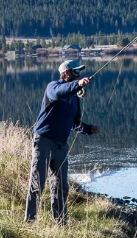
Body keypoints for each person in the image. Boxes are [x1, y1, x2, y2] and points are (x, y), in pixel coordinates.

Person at [24, 60, 100, 226]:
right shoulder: (53, 87)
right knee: (37, 183)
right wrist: (78, 84)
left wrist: (87, 129)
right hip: (43, 141)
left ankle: (60, 223)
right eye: (75, 72)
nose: (78, 74)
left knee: (61, 187)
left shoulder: (74, 99)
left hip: (61, 146)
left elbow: (75, 123)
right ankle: (29, 222)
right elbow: (60, 93)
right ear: (65, 73)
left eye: (79, 72)